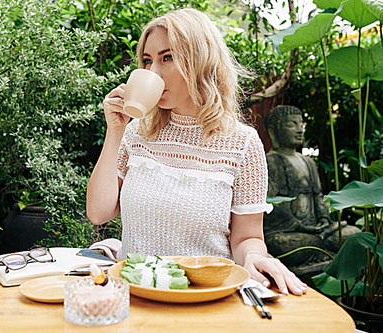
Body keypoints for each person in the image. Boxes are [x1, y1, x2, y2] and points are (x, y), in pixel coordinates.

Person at [86, 8, 307, 296]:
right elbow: (99, 213)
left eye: (167, 57)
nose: (152, 72)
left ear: (201, 61)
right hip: (135, 295)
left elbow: (247, 238)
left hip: (205, 299)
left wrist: (254, 257)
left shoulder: (243, 143)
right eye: (147, 60)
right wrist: (115, 131)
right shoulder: (135, 132)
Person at [263, 105, 360, 269]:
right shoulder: (269, 162)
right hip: (289, 231)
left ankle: (320, 248)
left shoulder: (308, 162)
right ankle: (321, 249)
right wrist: (298, 225)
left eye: (300, 124)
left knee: (354, 235)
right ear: (273, 132)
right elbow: (268, 204)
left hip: (318, 228)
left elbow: (318, 197)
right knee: (285, 244)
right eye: (291, 124)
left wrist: (323, 220)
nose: (299, 129)